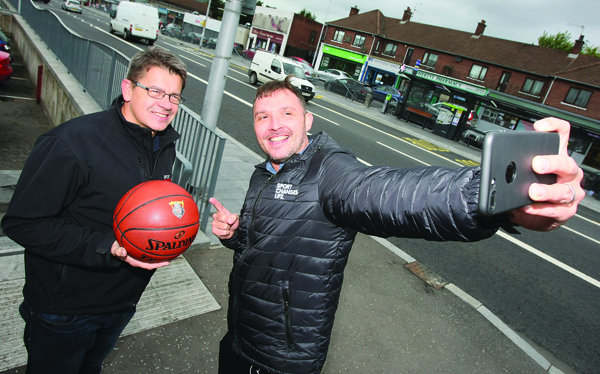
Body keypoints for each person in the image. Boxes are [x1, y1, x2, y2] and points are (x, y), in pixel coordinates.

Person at [209, 75, 584, 374]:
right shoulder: (264, 174)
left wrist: (494, 197)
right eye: (263, 116)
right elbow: (266, 243)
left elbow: (391, 193)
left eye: (286, 113)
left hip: (280, 358)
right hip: (239, 336)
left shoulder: (330, 171)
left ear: (308, 120)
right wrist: (236, 233)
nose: (274, 126)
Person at [1, 46, 187, 373]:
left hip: (121, 304)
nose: (166, 103)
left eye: (174, 96)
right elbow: (22, 222)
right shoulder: (72, 142)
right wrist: (107, 246)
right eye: (156, 90)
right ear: (128, 89)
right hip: (64, 311)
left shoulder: (163, 145)